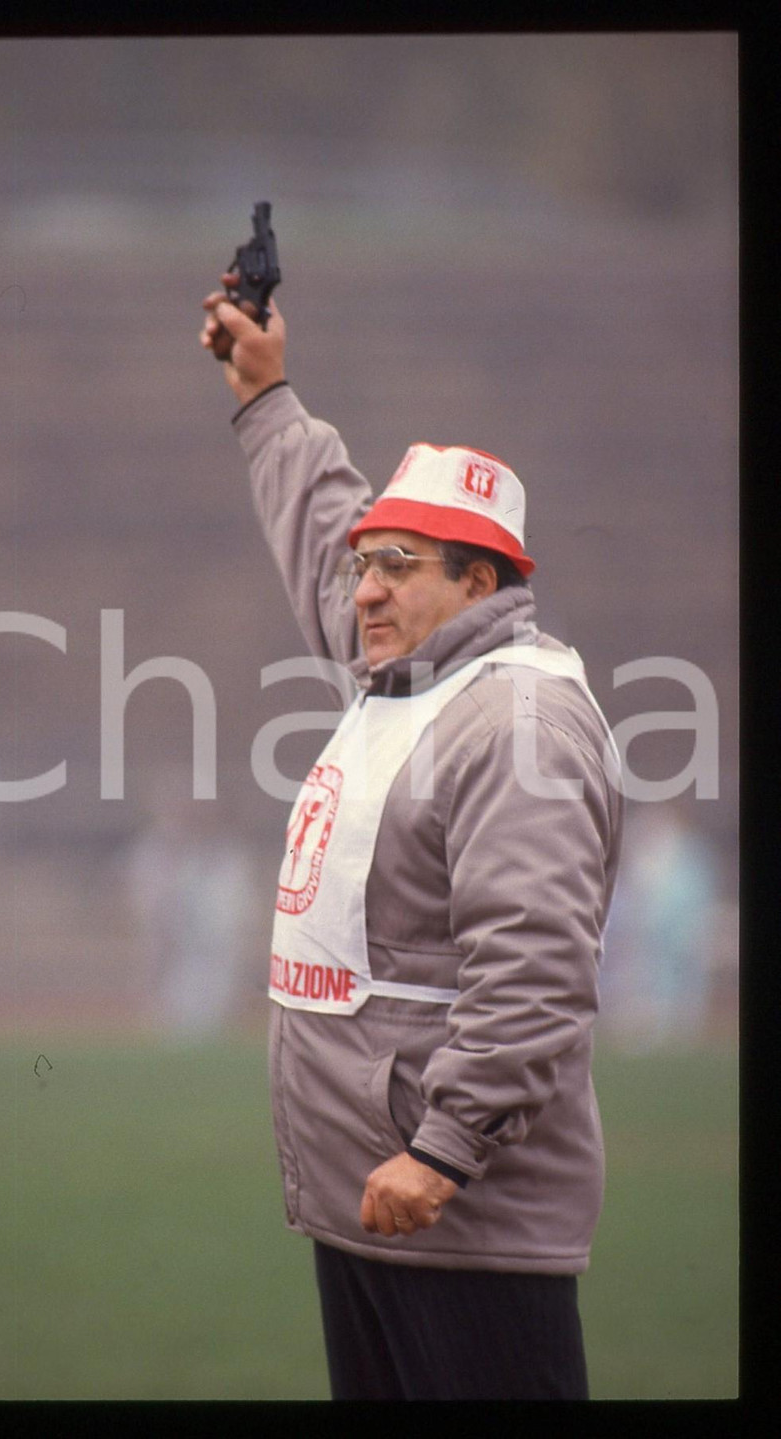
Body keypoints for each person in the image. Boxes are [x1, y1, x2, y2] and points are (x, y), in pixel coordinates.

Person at [200, 280, 624, 1401]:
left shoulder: (515, 719)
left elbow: (534, 972)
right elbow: (321, 530)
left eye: (400, 565)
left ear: (478, 584)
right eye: (366, 559)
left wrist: (443, 1150)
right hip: (382, 1206)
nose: (366, 588)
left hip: (456, 1214)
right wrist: (267, 395)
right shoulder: (419, 677)